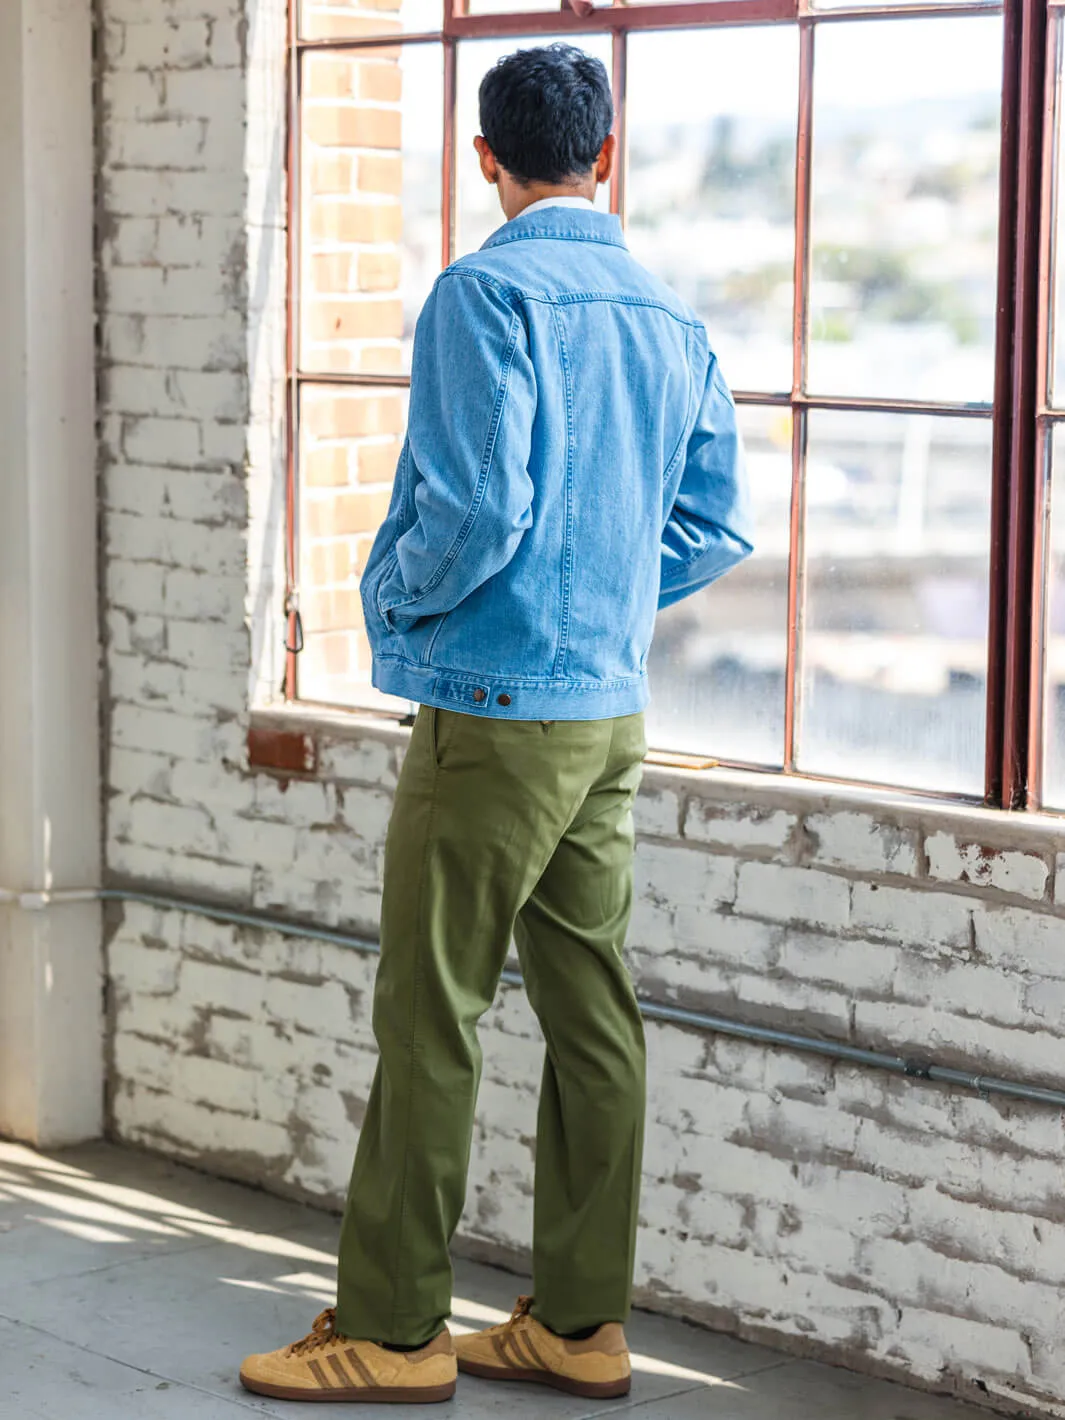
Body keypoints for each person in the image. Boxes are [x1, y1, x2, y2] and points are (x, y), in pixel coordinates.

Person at [239, 41, 752, 1405]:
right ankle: (581, 1322)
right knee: (595, 1015)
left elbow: (476, 512)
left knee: (430, 1011)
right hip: (609, 715)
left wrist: (389, 599)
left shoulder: (485, 294)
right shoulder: (669, 315)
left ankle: (397, 1329)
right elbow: (713, 522)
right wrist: (599, 602)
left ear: (486, 161)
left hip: (495, 710)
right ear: (608, 153)